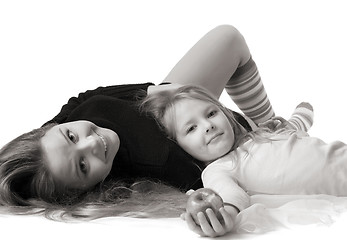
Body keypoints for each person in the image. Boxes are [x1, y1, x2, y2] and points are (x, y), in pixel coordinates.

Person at [0, 25, 275, 220]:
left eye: (71, 136)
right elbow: (214, 182)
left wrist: (150, 91)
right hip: (207, 134)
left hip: (166, 102)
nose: (93, 142)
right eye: (83, 166)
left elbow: (85, 98)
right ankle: (270, 128)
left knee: (227, 37)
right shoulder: (159, 167)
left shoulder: (64, 124)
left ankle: (269, 119)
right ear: (83, 191)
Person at [141, 85, 347, 238]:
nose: (207, 126)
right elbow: (231, 195)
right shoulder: (217, 170)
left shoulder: (252, 138)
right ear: (180, 147)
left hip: (335, 152)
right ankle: (295, 124)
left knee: (276, 132)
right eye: (191, 128)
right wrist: (225, 214)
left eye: (211, 113)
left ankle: (295, 124)